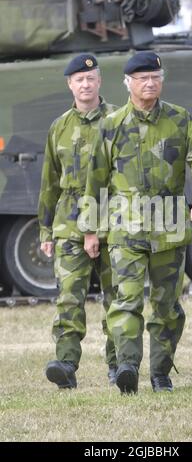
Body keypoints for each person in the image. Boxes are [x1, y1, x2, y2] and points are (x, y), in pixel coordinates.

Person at [79, 51, 192, 394]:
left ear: (161, 79)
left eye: (155, 76)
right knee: (126, 301)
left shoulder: (181, 120)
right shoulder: (111, 126)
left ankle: (160, 372)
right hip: (126, 226)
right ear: (128, 84)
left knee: (167, 306)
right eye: (142, 78)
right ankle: (126, 366)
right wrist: (91, 230)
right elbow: (94, 181)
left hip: (170, 225)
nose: (150, 83)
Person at [38, 53, 117, 389]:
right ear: (70, 84)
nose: (85, 84)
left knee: (118, 298)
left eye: (91, 78)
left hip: (114, 221)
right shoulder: (60, 127)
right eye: (78, 80)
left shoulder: (118, 120)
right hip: (69, 223)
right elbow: (49, 182)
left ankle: (120, 365)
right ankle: (66, 365)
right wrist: (45, 229)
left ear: (99, 81)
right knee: (69, 297)